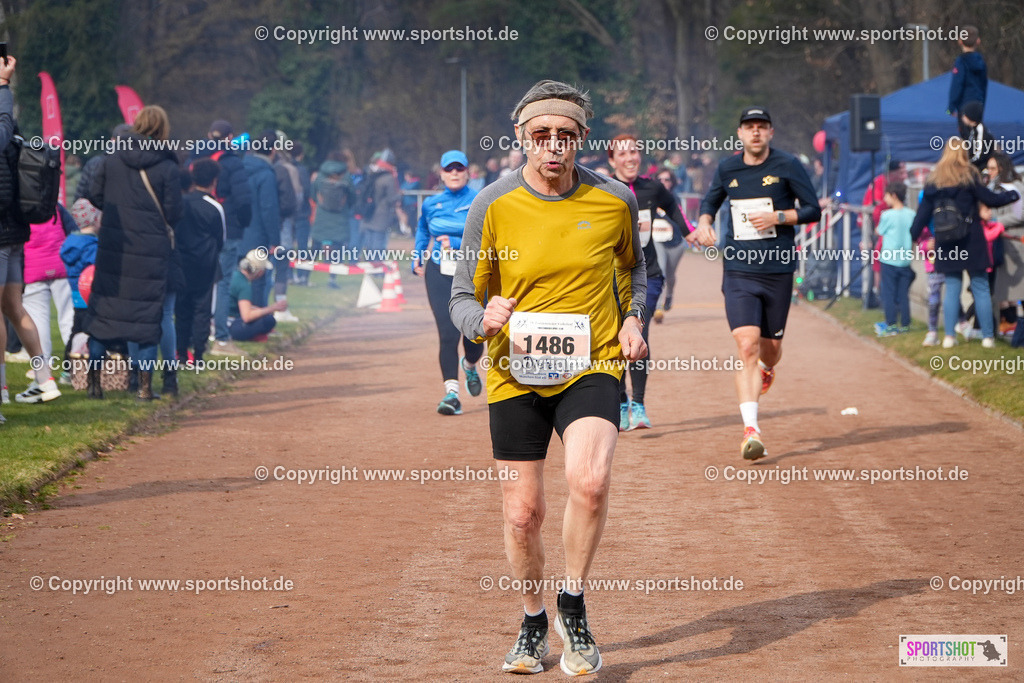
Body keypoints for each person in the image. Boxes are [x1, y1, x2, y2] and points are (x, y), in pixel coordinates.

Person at [450, 79, 647, 676]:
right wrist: (482, 319)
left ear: (582, 138)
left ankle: (574, 606)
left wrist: (634, 319)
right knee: (521, 514)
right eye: (541, 136)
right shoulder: (493, 203)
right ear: (522, 139)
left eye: (565, 135)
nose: (553, 146)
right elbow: (463, 295)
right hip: (516, 371)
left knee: (588, 482)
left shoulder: (614, 200)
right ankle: (534, 621)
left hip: (592, 364)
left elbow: (635, 273)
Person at [692, 106, 822, 460]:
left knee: (770, 349)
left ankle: (767, 370)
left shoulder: (788, 165)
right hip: (738, 269)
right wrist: (704, 223)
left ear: (770, 132)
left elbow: (813, 210)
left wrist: (778, 216)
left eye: (762, 127)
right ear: (740, 133)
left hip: (778, 269)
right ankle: (751, 431)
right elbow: (710, 201)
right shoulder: (727, 167)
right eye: (749, 127)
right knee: (746, 345)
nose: (755, 133)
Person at [84, 105, 182, 401]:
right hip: (151, 250)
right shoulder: (167, 166)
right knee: (147, 316)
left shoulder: (112, 160)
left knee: (103, 314)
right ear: (163, 128)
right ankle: (145, 387)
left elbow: (94, 194)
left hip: (115, 245)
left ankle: (94, 383)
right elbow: (174, 211)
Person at [607, 134, 692, 430]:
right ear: (612, 160)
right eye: (623, 153)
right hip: (609, 279)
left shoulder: (652, 187)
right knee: (613, 339)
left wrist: (691, 233)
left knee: (638, 334)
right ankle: (620, 404)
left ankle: (639, 405)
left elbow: (675, 210)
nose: (630, 157)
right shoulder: (602, 190)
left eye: (634, 151)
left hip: (648, 274)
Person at [909, 137, 1019, 349]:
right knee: (980, 286)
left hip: (946, 241)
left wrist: (912, 236)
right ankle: (987, 337)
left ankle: (949, 337)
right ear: (963, 154)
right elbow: (991, 199)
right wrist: (1014, 195)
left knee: (952, 287)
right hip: (972, 239)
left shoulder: (935, 180)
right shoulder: (970, 176)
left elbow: (922, 213)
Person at [0, 54, 62, 409]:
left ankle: (2, 391)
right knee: (13, 306)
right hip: (14, 232)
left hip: (3, 234)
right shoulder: (13, 133)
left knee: (3, 309)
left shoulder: (4, 127)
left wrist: (4, 86)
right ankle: (43, 378)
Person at [413, 150, 483, 415]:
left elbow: (488, 235)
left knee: (475, 333)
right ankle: (452, 395)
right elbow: (422, 229)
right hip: (439, 272)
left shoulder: (480, 200)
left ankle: (470, 365)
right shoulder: (432, 203)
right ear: (441, 174)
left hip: (474, 273)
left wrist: (454, 243)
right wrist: (417, 256)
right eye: (448, 169)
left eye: (459, 169)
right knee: (447, 333)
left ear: (467, 172)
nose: (454, 173)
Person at [197, 120, 252, 357]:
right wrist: (242, 222)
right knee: (222, 282)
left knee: (199, 282)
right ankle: (220, 337)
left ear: (210, 135)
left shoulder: (195, 157)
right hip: (226, 226)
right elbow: (243, 200)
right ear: (230, 137)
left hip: (197, 226)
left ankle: (194, 338)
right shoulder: (233, 162)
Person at [175, 158, 224, 365]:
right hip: (205, 265)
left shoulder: (180, 202)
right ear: (214, 181)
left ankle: (181, 353)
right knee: (202, 311)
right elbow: (221, 239)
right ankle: (199, 355)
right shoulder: (214, 207)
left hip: (181, 264)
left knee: (182, 310)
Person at [241, 130, 281, 308]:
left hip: (238, 232)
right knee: (258, 280)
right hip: (258, 235)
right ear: (273, 150)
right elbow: (269, 209)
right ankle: (257, 320)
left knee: (238, 278)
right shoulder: (267, 174)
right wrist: (274, 240)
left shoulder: (239, 168)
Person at [60, 198, 100, 365]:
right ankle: (95, 366)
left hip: (76, 295)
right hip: (90, 294)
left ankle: (67, 367)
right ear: (95, 219)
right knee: (94, 331)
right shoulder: (92, 246)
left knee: (76, 331)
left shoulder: (70, 243)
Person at [873, 182, 915, 336]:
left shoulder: (887, 215)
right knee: (903, 293)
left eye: (887, 195)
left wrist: (876, 229)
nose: (884, 198)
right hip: (905, 260)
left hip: (889, 260)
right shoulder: (911, 214)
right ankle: (905, 324)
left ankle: (891, 324)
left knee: (889, 293)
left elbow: (879, 231)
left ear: (894, 196)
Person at [652, 168, 693, 323]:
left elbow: (680, 223)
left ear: (672, 182)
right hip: (657, 240)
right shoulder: (650, 198)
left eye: (667, 180)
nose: (663, 183)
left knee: (670, 275)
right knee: (660, 271)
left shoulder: (675, 199)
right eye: (660, 179)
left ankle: (669, 295)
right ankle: (657, 307)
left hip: (675, 243)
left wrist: (664, 213)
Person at [309, 154, 354, 288]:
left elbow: (312, 194)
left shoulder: (320, 176)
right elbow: (352, 197)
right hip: (340, 218)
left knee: (315, 247)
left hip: (322, 217)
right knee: (338, 249)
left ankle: (303, 275)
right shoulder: (346, 177)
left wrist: (321, 205)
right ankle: (332, 279)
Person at [229, 250, 286, 341]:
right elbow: (247, 316)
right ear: (259, 272)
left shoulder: (234, 275)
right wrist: (272, 308)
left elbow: (242, 306)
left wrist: (262, 311)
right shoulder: (244, 286)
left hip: (219, 320)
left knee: (264, 316)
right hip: (230, 324)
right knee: (269, 320)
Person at [357, 149, 400, 261]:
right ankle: (377, 270)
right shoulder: (388, 177)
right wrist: (400, 196)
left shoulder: (371, 172)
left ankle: (369, 268)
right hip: (381, 216)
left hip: (368, 213)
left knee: (369, 244)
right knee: (379, 244)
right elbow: (392, 198)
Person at [948, 25, 987, 137]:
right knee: (977, 135)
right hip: (978, 104)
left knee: (966, 137)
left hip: (964, 105)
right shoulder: (981, 62)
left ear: (960, 41)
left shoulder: (960, 62)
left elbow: (957, 84)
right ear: (978, 41)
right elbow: (984, 85)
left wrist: (951, 107)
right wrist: (982, 105)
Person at [985, 151, 1024, 230]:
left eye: (993, 169)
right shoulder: (989, 187)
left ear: (1002, 169)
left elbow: (1021, 213)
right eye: (988, 168)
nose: (989, 172)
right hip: (995, 235)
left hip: (1013, 237)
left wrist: (996, 221)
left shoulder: (1015, 186)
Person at [960, 101, 998, 172]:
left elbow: (979, 154)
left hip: (981, 168)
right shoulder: (972, 129)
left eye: (964, 115)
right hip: (974, 165)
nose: (962, 117)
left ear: (971, 117)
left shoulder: (981, 132)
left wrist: (966, 164)